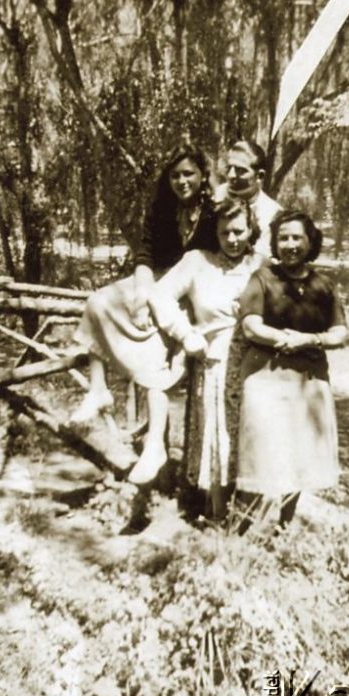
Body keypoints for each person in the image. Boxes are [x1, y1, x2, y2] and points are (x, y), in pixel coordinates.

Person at [71, 140, 218, 485]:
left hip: (193, 291)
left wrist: (158, 301)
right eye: (175, 175)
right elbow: (145, 257)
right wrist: (140, 294)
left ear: (202, 175)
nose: (182, 181)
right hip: (156, 284)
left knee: (157, 350)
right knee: (97, 302)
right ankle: (97, 390)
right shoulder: (161, 210)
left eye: (189, 174)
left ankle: (155, 446)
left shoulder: (214, 212)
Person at [148, 198, 265, 519]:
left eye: (239, 231)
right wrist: (186, 333)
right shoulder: (197, 262)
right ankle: (216, 514)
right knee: (217, 435)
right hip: (214, 362)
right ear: (214, 231)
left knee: (254, 436)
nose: (232, 239)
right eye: (225, 232)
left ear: (251, 229)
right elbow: (158, 296)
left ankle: (251, 514)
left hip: (257, 367)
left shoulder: (261, 266)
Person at [237, 209, 348, 526]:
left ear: (310, 241)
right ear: (275, 242)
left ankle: (284, 525)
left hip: (309, 382)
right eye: (283, 238)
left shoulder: (322, 285)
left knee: (298, 455)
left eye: (297, 237)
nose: (289, 245)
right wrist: (285, 339)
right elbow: (251, 326)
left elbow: (340, 333)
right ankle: (243, 527)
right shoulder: (262, 278)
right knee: (261, 452)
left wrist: (308, 340)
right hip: (265, 379)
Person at [215, 139, 282, 257]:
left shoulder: (273, 214)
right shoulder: (216, 196)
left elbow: (262, 258)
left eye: (240, 170)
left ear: (259, 176)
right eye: (229, 168)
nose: (231, 175)